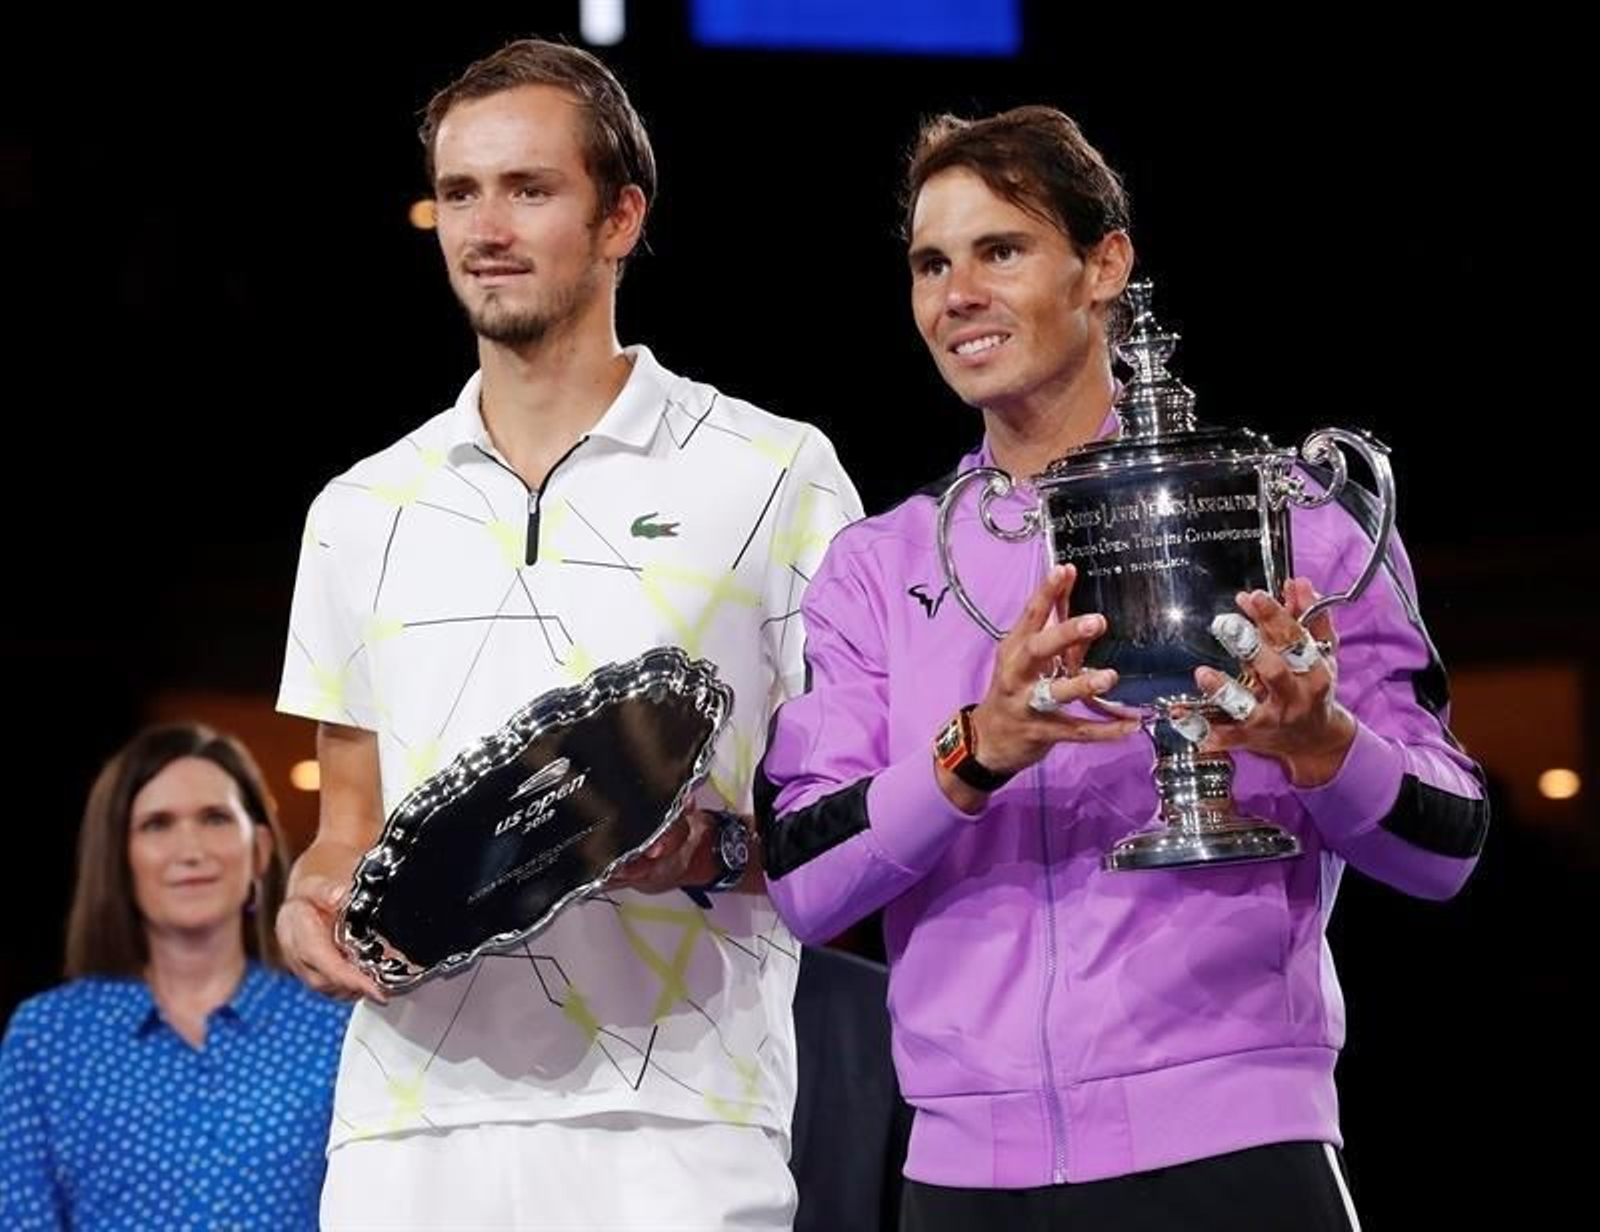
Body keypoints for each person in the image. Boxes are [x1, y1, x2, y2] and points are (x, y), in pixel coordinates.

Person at [755, 105, 1490, 1231]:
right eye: (929, 263)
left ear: (1104, 264)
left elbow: (1445, 842)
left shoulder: (1283, 514)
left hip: (1238, 1149)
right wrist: (975, 748)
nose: (957, 295)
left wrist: (1317, 743)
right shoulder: (877, 564)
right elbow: (806, 882)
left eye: (1000, 250)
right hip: (964, 1177)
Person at [273, 38, 861, 1230]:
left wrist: (711, 848)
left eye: (528, 188)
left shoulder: (775, 472)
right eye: (460, 191)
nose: (484, 225)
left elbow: (842, 818)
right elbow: (341, 837)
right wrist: (307, 905)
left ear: (620, 216)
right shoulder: (356, 509)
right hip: (409, 1124)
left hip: (684, 1117)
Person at [0, 723, 349, 1230]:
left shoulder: (333, 1027)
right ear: (120, 856)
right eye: (157, 825)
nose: (191, 850)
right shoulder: (49, 1036)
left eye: (214, 818)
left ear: (260, 849)